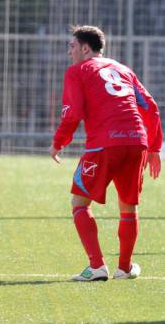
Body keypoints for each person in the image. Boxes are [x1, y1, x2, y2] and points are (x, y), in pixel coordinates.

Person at [50, 25, 162, 281]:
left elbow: (73, 113)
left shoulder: (77, 71)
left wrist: (58, 142)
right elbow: (151, 107)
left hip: (104, 144)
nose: (70, 52)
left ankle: (97, 266)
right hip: (137, 143)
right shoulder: (123, 69)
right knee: (128, 207)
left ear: (85, 48)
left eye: (72, 47)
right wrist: (155, 147)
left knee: (79, 202)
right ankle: (124, 268)